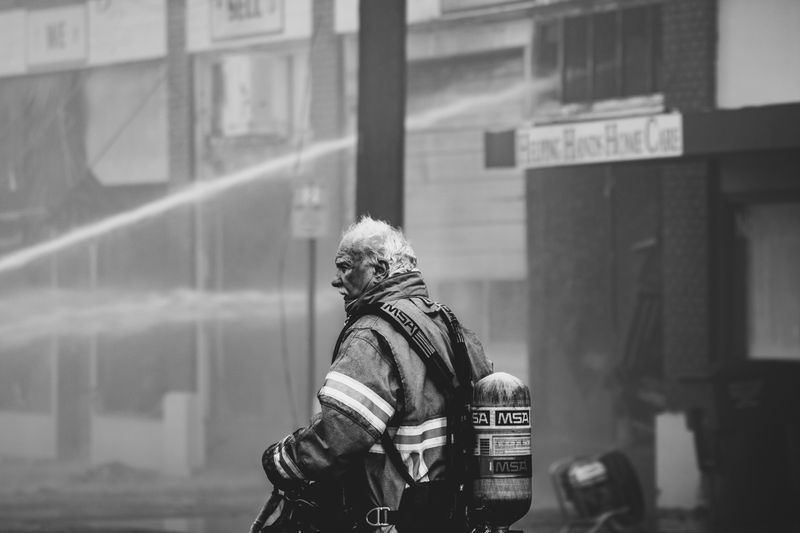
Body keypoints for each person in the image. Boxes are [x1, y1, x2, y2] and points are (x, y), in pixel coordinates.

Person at [260, 216, 493, 533]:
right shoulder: (450, 328)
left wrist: (283, 459)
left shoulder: (371, 337)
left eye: (345, 266)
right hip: (454, 519)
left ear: (380, 270)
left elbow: (337, 438)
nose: (337, 280)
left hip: (393, 522)